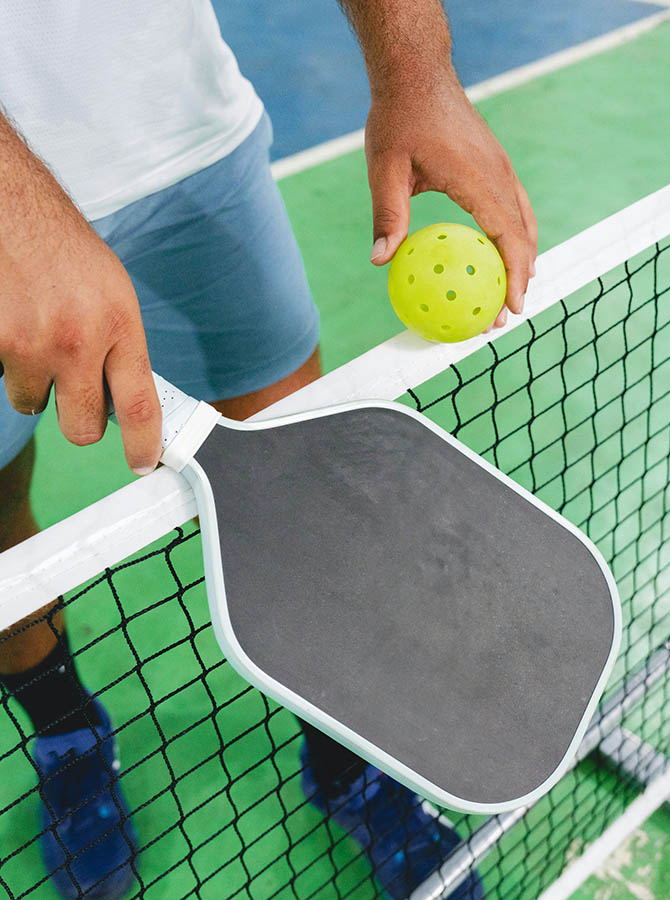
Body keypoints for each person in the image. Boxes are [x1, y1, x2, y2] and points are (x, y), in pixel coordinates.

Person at [0, 1, 536, 898]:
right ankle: (68, 737)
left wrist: (420, 76)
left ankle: (345, 764)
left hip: (184, 144)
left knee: (310, 492)